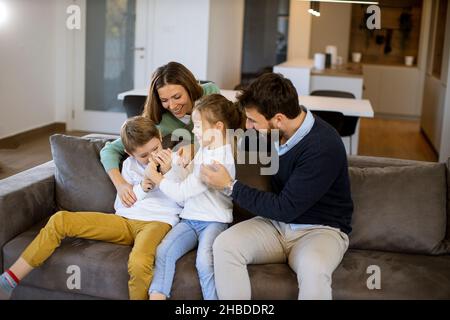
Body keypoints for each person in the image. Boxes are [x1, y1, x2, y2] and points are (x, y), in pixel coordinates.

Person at [200, 73, 354, 300]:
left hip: (320, 230)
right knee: (225, 245)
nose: (248, 126)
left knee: (315, 268)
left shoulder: (323, 146)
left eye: (253, 121)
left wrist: (230, 186)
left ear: (278, 119)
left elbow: (286, 207)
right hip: (277, 225)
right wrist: (194, 149)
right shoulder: (274, 131)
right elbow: (224, 134)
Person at [0, 116, 185, 300]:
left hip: (158, 223)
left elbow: (185, 202)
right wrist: (141, 188)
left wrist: (167, 175)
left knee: (138, 262)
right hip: (125, 221)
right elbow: (120, 205)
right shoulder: (129, 165)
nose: (152, 156)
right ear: (130, 153)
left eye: (155, 149)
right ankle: (9, 280)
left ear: (160, 138)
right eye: (143, 155)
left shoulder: (177, 162)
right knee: (60, 219)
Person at [144, 94, 243, 300]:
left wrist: (158, 177)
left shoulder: (218, 160)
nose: (194, 130)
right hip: (190, 218)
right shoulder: (206, 149)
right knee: (164, 252)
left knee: (204, 262)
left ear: (218, 128)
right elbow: (185, 188)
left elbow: (182, 191)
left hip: (213, 222)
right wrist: (173, 167)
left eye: (198, 125)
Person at [100, 61, 220, 208]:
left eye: (177, 96)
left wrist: (194, 148)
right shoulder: (160, 122)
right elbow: (109, 150)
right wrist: (121, 185)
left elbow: (225, 132)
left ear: (189, 88)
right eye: (164, 100)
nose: (172, 106)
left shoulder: (209, 93)